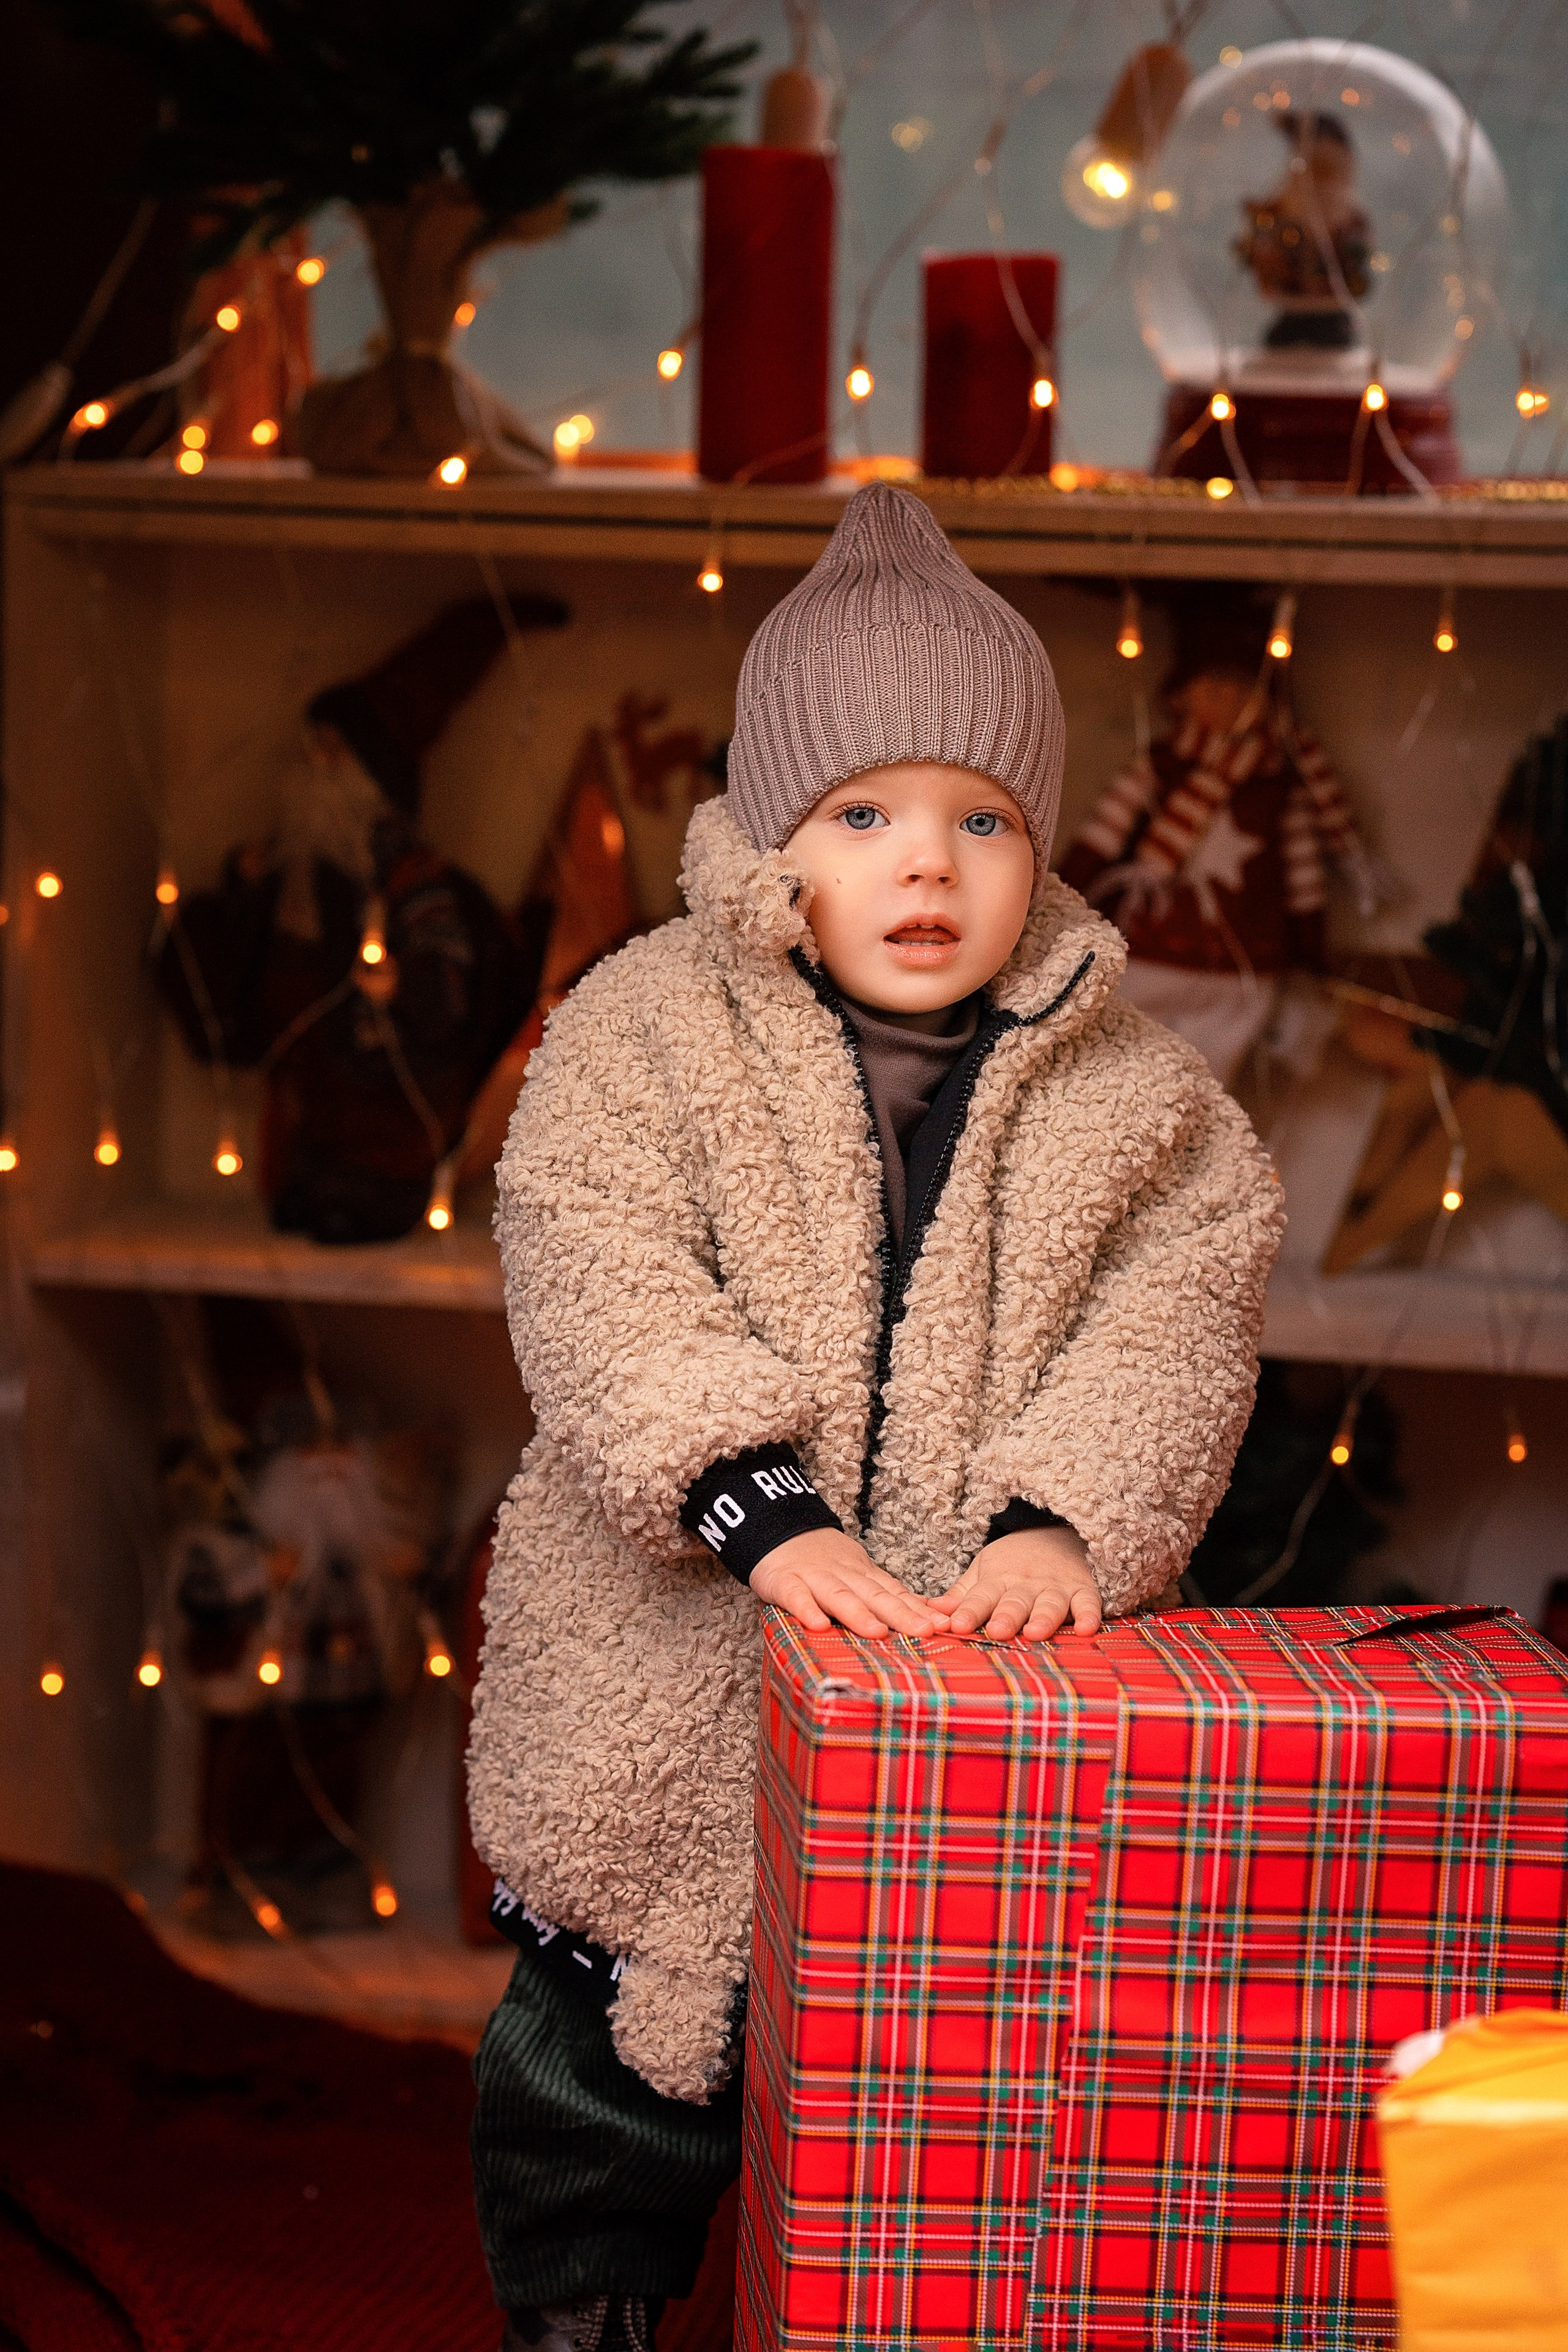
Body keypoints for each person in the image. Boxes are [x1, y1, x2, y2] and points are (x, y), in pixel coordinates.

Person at [467, 485, 1284, 2352]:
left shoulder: (1132, 1090)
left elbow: (1178, 1314)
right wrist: (746, 1496)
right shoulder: (644, 1029)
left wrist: (1067, 1516)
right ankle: (584, 2310)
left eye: (981, 820)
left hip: (964, 1691)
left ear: (1040, 845)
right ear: (777, 838)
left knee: (942, 2090)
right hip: (666, 1665)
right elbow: (593, 1258)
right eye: (864, 816)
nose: (930, 866)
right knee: (602, 2064)